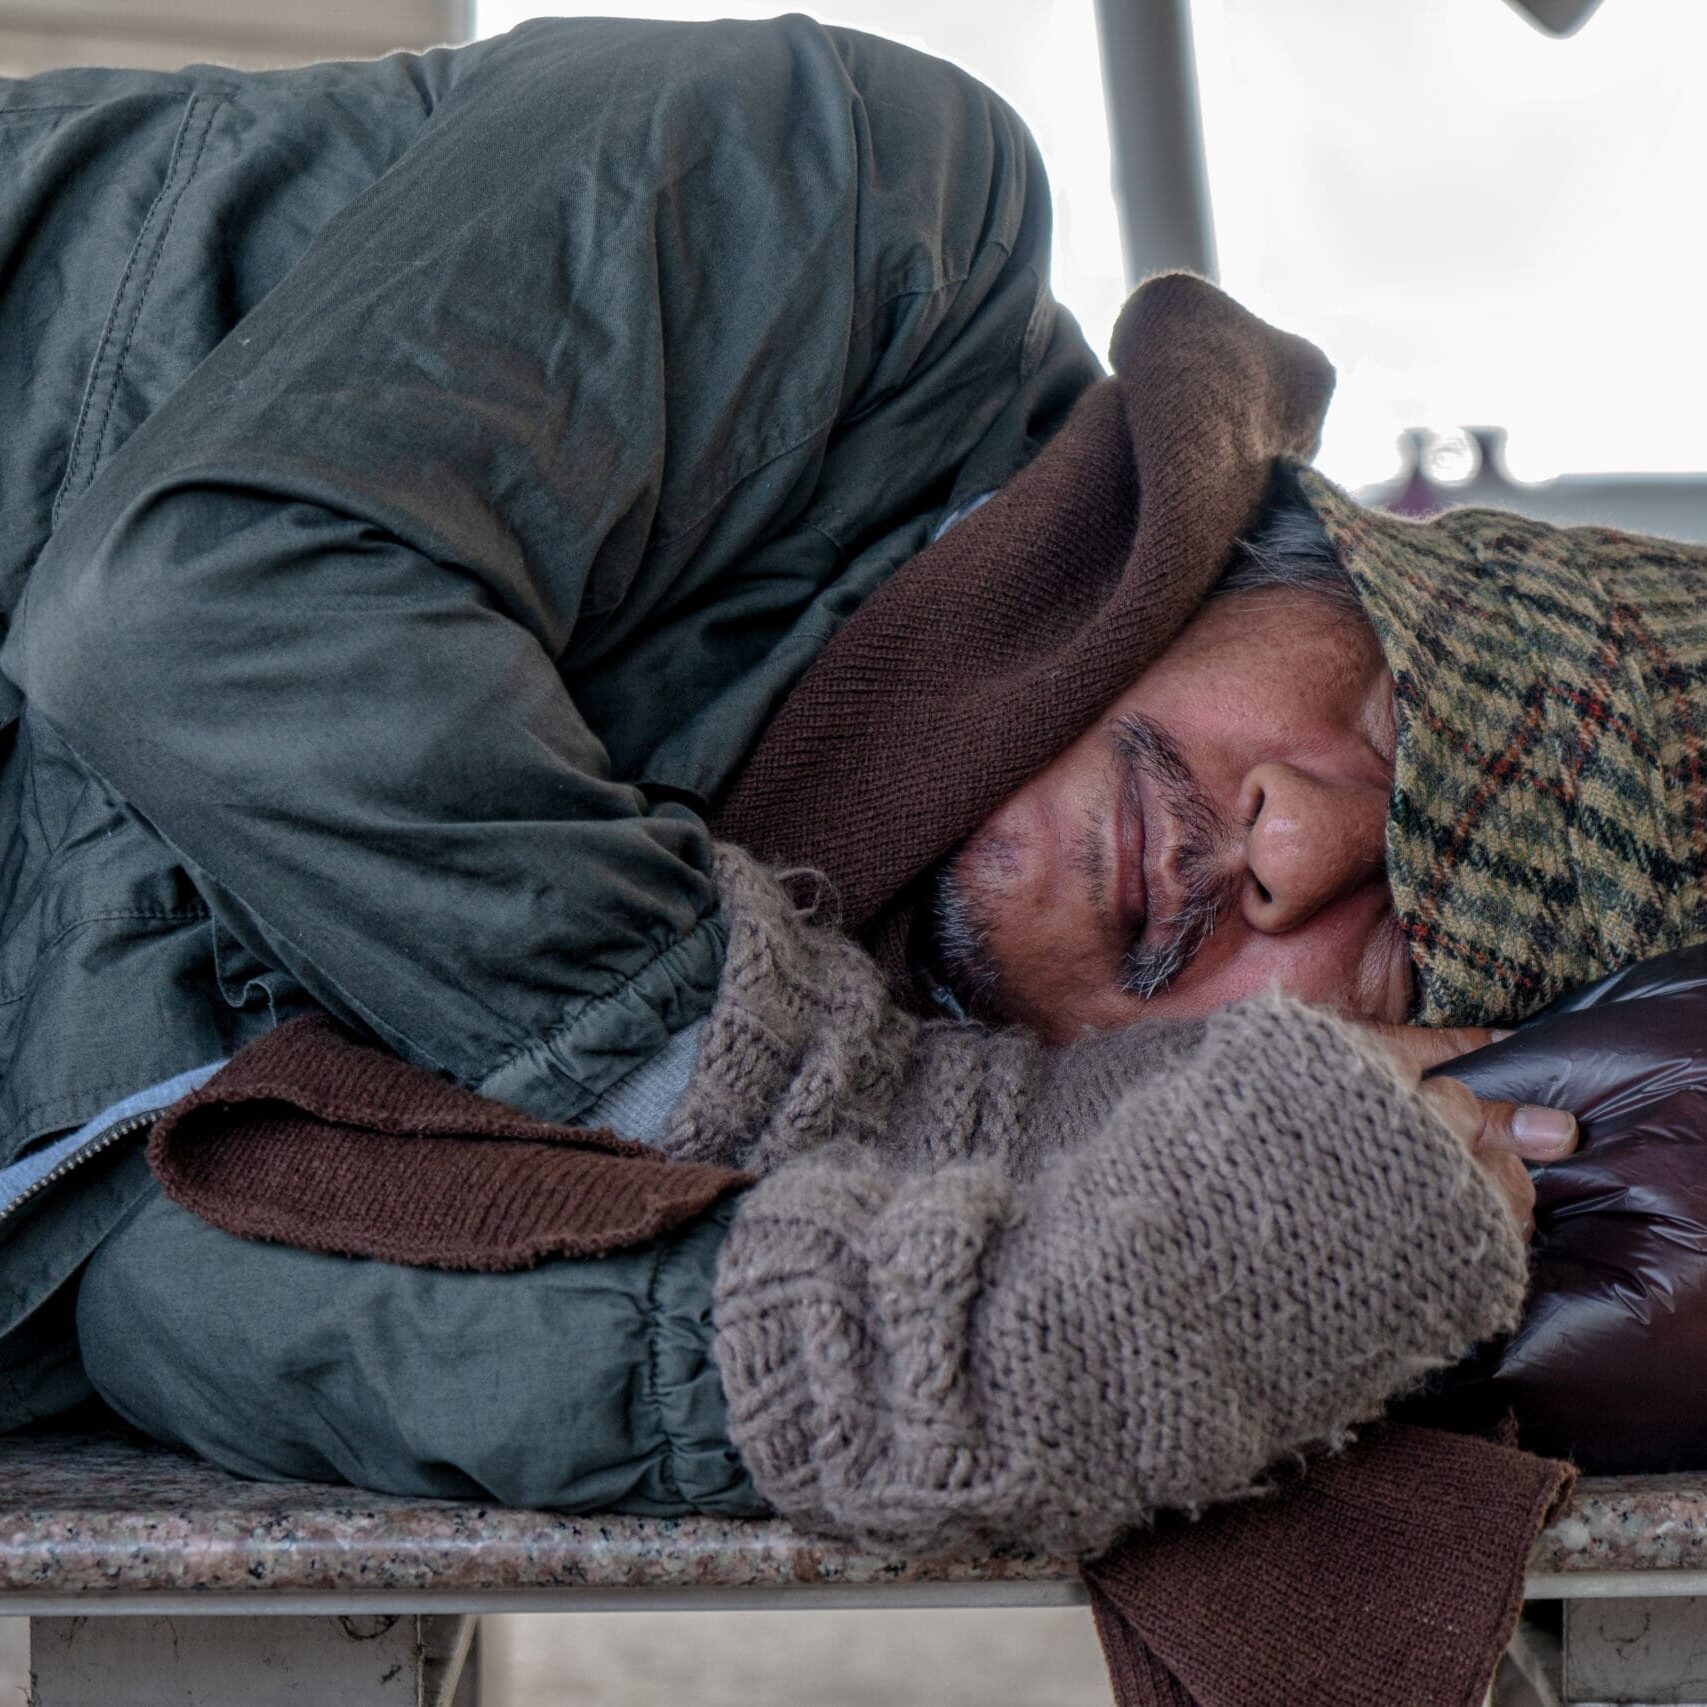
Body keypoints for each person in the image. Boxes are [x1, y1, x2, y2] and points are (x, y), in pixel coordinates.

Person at [0, 16, 1607, 1555]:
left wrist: (1004, 1354)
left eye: (1399, 951)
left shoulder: (918, 1098)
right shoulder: (885, 216)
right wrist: (868, 1114)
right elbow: (198, 623)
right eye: (1398, 726)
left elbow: (166, 1275)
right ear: (1307, 564)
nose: (1296, 844)